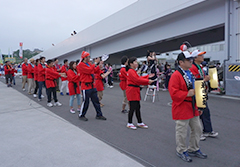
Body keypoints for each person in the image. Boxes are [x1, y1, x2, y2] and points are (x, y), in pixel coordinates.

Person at [168, 51, 207, 163]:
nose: (191, 62)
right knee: (182, 131)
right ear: (181, 62)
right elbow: (173, 93)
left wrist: (200, 104)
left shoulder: (189, 73)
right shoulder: (176, 75)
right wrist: (186, 94)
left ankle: (193, 148)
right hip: (182, 106)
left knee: (198, 128)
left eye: (191, 60)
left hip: (192, 106)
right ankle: (181, 150)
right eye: (188, 60)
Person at [190, 50, 218, 139]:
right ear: (195, 58)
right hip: (197, 92)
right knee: (198, 113)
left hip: (201, 91)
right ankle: (199, 132)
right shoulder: (193, 67)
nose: (202, 57)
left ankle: (207, 130)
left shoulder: (200, 66)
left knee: (205, 112)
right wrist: (204, 79)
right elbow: (194, 80)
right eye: (200, 55)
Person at [77, 51, 107, 121]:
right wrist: (95, 63)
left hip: (92, 85)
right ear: (85, 57)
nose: (89, 58)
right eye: (88, 57)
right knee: (86, 102)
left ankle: (99, 114)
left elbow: (94, 71)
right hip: (85, 85)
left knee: (96, 101)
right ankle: (81, 115)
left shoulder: (88, 64)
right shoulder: (81, 65)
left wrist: (99, 66)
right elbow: (89, 71)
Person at [125, 57, 154, 130]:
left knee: (137, 107)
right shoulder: (131, 71)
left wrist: (147, 76)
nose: (136, 63)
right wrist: (147, 81)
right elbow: (137, 80)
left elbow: (138, 78)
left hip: (134, 90)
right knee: (133, 107)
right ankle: (129, 122)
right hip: (132, 90)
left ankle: (139, 122)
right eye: (135, 62)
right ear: (131, 64)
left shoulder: (133, 71)